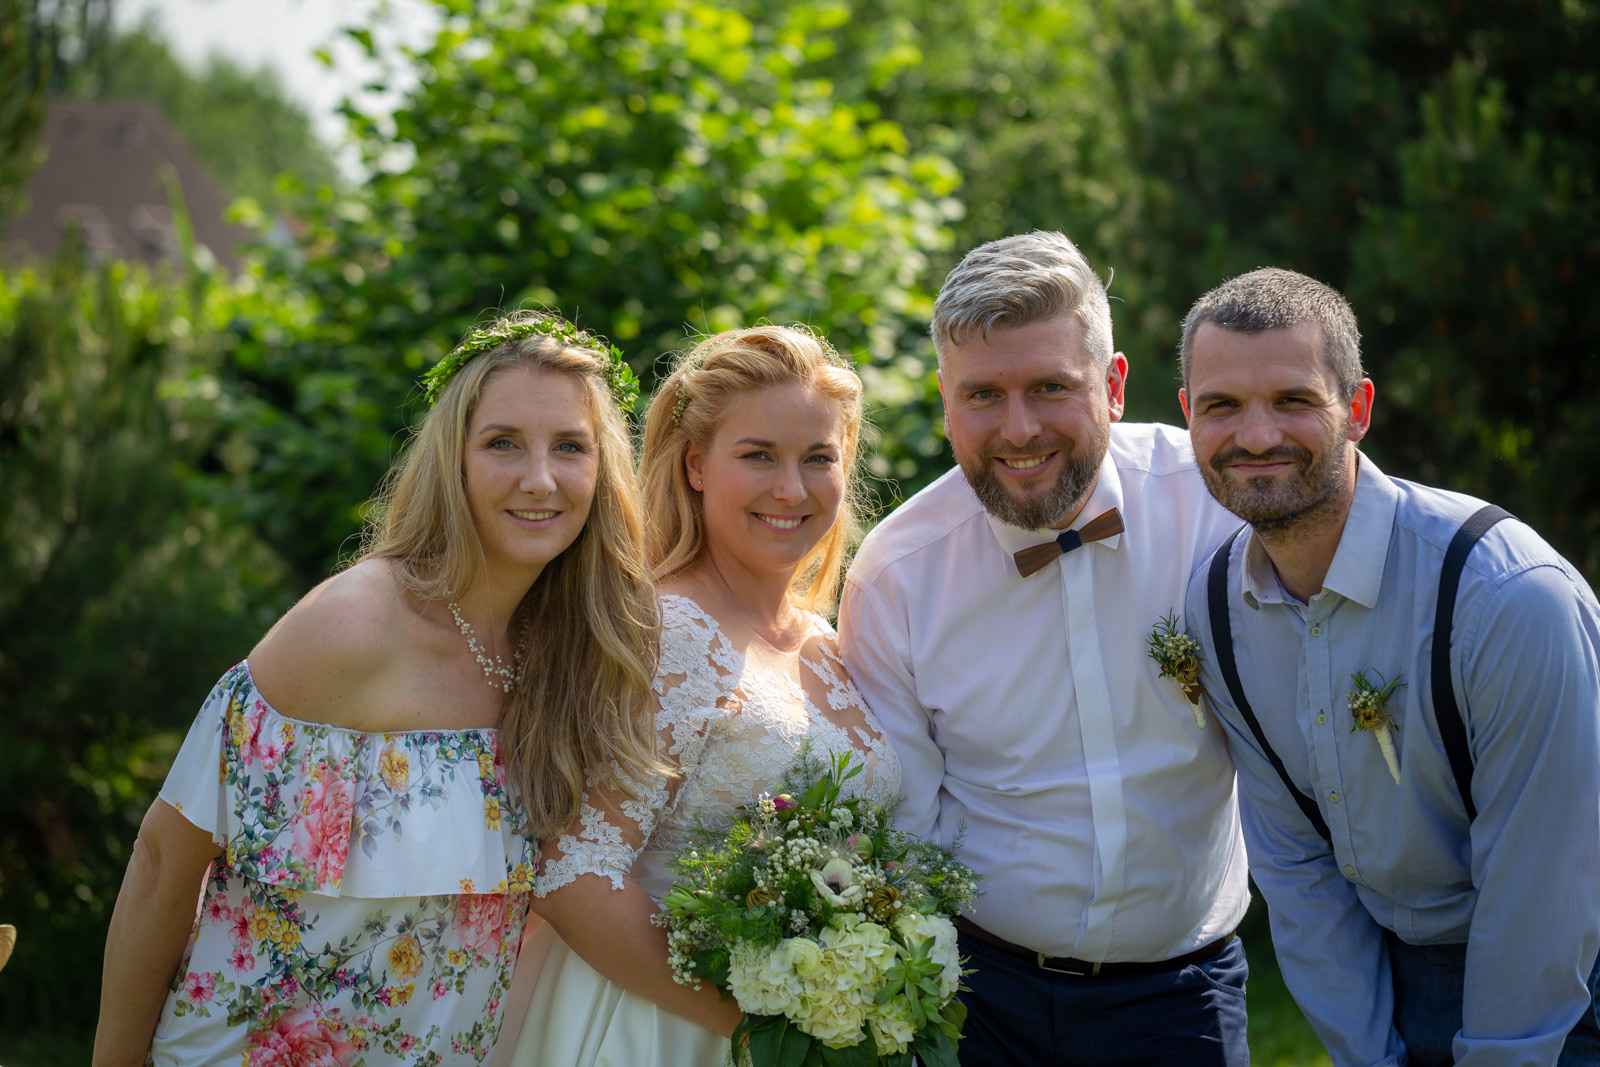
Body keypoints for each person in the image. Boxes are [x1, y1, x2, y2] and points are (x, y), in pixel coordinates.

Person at [92, 311, 664, 1065]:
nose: (539, 478)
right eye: (502, 443)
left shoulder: (568, 654)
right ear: (453, 461)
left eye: (570, 446)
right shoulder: (351, 626)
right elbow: (165, 861)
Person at [838, 231, 1251, 1067]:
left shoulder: (1218, 507)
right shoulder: (895, 574)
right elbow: (904, 823)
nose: (1018, 428)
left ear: (1114, 385)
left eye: (1051, 387)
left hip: (1185, 996)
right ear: (945, 401)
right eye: (983, 394)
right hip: (978, 1000)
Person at [1177, 267, 1600, 1067]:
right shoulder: (1214, 607)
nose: (1256, 436)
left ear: (1358, 408)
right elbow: (1298, 868)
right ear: (1187, 416)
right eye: (1221, 405)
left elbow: (1544, 883)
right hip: (1397, 983)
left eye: (1293, 400)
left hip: (1572, 977)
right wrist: (1370, 1055)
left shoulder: (1505, 596)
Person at [497, 324, 903, 1067]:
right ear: (695, 465)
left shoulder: (826, 640)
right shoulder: (666, 632)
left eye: (819, 457)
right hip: (659, 1029)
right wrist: (770, 1027)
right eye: (758, 455)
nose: (792, 488)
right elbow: (573, 877)